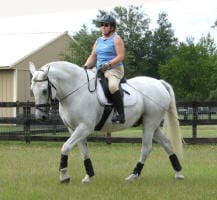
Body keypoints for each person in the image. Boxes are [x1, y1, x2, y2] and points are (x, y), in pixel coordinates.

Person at [83, 14, 125, 123]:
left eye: (106, 25)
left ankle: (121, 114)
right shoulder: (98, 40)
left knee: (112, 86)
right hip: (99, 69)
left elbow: (121, 56)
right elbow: (93, 55)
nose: (103, 27)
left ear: (112, 27)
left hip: (114, 69)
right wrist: (86, 66)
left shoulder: (116, 39)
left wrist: (108, 64)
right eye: (101, 25)